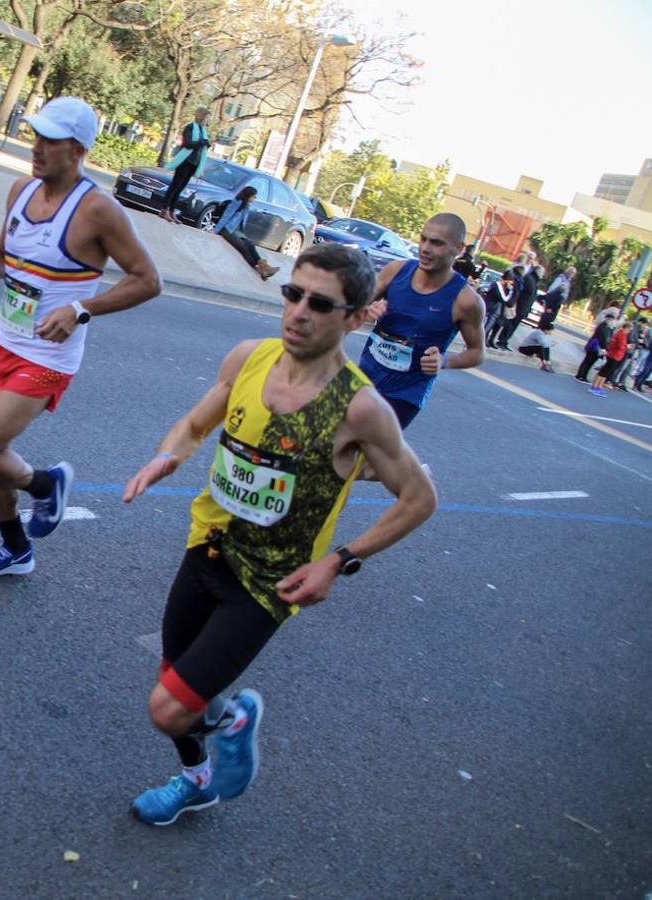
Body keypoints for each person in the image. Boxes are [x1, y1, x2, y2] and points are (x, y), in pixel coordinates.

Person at [120, 242, 437, 826]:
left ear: (356, 318)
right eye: (293, 294)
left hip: (271, 583)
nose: (298, 312)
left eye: (320, 303)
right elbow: (194, 424)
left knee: (166, 709)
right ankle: (203, 769)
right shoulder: (249, 358)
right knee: (175, 677)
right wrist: (168, 457)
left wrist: (338, 560)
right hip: (209, 544)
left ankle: (214, 749)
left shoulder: (361, 409)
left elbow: (419, 498)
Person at [0, 97, 162, 579]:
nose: (36, 147)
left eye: (49, 140)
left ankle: (43, 485)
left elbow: (147, 279)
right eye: (35, 135)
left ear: (77, 150)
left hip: (45, 358)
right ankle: (17, 549)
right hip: (1, 341)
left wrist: (81, 309)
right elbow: (3, 261)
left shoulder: (99, 210)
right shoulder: (20, 190)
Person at [358, 212, 486, 429]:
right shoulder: (395, 271)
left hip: (405, 394)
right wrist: (366, 310)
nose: (425, 248)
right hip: (364, 377)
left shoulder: (466, 301)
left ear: (459, 248)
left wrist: (444, 361)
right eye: (423, 239)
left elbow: (477, 352)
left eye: (436, 243)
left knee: (372, 451)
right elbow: (351, 308)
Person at [213, 185, 280, 280]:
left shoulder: (247, 206)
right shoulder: (237, 203)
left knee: (251, 245)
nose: (255, 198)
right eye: (254, 196)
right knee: (243, 247)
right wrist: (216, 230)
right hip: (227, 230)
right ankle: (263, 270)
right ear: (248, 196)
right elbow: (226, 216)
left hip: (238, 231)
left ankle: (265, 269)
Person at [159, 107, 210, 224]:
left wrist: (206, 144)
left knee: (180, 188)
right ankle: (164, 209)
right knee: (175, 186)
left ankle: (172, 211)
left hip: (194, 163)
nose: (208, 120)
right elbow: (187, 143)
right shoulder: (190, 127)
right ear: (201, 116)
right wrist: (202, 143)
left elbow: (201, 147)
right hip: (185, 161)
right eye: (207, 117)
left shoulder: (203, 130)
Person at [575, 308, 617, 383]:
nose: (611, 321)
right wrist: (604, 348)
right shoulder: (603, 326)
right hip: (596, 346)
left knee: (591, 362)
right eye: (610, 320)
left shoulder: (609, 328)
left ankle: (584, 375)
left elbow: (609, 338)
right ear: (607, 319)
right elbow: (603, 338)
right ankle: (580, 374)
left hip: (599, 348)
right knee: (587, 361)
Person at [590, 321, 631, 397]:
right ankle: (595, 386)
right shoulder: (621, 334)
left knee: (606, 373)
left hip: (615, 355)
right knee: (604, 371)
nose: (629, 331)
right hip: (614, 355)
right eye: (629, 329)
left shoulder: (622, 334)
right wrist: (626, 346)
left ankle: (599, 387)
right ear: (626, 328)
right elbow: (620, 346)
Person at [612, 316, 647, 390]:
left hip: (632, 350)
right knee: (621, 367)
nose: (644, 326)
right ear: (641, 322)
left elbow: (642, 340)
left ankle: (621, 382)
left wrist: (641, 338)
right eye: (644, 324)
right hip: (628, 349)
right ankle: (612, 380)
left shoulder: (639, 329)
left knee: (628, 368)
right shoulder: (633, 326)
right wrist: (637, 342)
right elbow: (630, 338)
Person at [483, 270, 515, 348]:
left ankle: (483, 338)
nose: (511, 283)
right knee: (489, 324)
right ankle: (481, 338)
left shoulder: (496, 285)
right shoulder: (498, 286)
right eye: (511, 281)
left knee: (489, 324)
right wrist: (510, 291)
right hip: (491, 307)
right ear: (507, 280)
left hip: (491, 306)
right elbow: (504, 299)